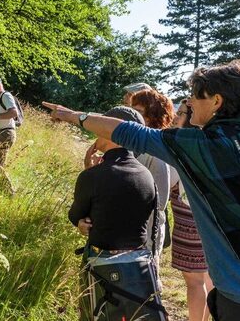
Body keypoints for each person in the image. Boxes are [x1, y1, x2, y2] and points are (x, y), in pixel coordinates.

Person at [44, 60, 240, 320]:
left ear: (216, 102)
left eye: (195, 97)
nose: (189, 103)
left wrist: (73, 116)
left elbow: (132, 133)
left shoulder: (201, 146)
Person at [69, 106, 161, 320]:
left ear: (113, 131)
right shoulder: (146, 175)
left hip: (101, 266)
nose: (95, 130)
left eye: (102, 124)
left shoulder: (94, 176)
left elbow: (76, 216)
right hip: (139, 267)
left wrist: (87, 172)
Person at [169, 99, 213, 321]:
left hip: (190, 225)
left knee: (194, 283)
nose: (175, 117)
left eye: (181, 113)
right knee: (209, 280)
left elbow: (166, 185)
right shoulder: (210, 144)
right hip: (212, 224)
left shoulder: (181, 149)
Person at [130, 89, 173, 259]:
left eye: (138, 111)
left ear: (151, 115)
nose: (132, 115)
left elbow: (160, 201)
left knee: (145, 277)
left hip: (147, 229)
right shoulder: (133, 144)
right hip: (127, 226)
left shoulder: (157, 151)